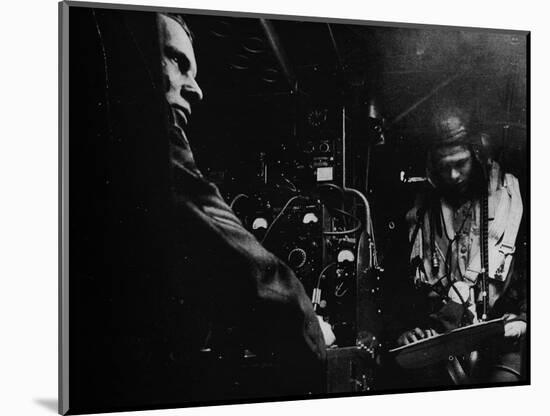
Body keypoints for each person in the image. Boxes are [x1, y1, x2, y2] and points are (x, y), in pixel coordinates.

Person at [155, 13, 333, 400]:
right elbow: (238, 262)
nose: (196, 89)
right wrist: (311, 331)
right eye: (178, 62)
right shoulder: (153, 138)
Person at [394, 105, 526, 385]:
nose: (453, 175)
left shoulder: (514, 201)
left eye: (460, 163)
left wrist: (526, 317)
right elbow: (399, 295)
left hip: (503, 340)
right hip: (440, 346)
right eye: (444, 167)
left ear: (477, 155)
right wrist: (407, 332)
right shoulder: (418, 215)